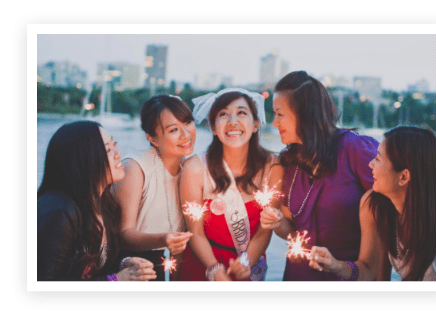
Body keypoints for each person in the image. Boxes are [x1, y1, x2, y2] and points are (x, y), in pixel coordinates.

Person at [260, 71, 383, 281]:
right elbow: (291, 231)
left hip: (350, 277)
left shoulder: (357, 150)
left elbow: (392, 212)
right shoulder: (288, 162)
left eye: (279, 114)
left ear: (306, 114)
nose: (274, 122)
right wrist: (279, 223)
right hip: (298, 277)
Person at [178, 88, 283, 281]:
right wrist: (214, 269)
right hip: (204, 262)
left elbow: (264, 230)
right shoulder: (195, 168)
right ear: (213, 127)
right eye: (223, 114)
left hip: (249, 263)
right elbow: (195, 232)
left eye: (241, 113)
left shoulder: (273, 166)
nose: (232, 121)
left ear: (255, 125)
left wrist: (246, 262)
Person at [310, 126, 436, 281]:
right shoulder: (376, 205)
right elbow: (369, 271)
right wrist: (335, 265)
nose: (370, 164)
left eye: (378, 159)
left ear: (403, 177)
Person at [37, 121, 157, 281]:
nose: (118, 153)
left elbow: (94, 266)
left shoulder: (103, 204)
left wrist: (124, 264)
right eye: (108, 149)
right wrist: (115, 280)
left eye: (115, 144)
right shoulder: (60, 213)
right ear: (81, 158)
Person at [112, 95, 195, 281]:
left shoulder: (192, 168)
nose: (186, 134)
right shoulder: (135, 167)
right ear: (153, 139)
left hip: (176, 265)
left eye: (188, 123)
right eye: (174, 129)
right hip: (135, 265)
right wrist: (163, 239)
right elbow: (123, 233)